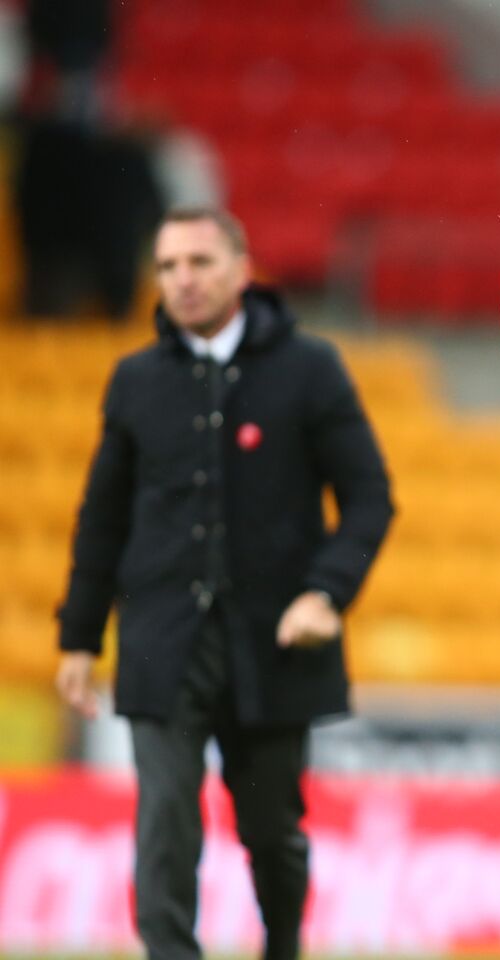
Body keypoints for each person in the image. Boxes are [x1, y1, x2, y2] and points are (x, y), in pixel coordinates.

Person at [54, 207, 394, 960]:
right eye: (168, 265)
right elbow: (102, 518)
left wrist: (326, 593)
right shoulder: (135, 380)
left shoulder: (311, 368)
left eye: (199, 262)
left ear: (242, 270)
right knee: (165, 823)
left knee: (273, 834)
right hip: (161, 642)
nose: (182, 279)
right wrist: (78, 636)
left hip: (274, 645)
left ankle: (283, 946)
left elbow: (370, 498)